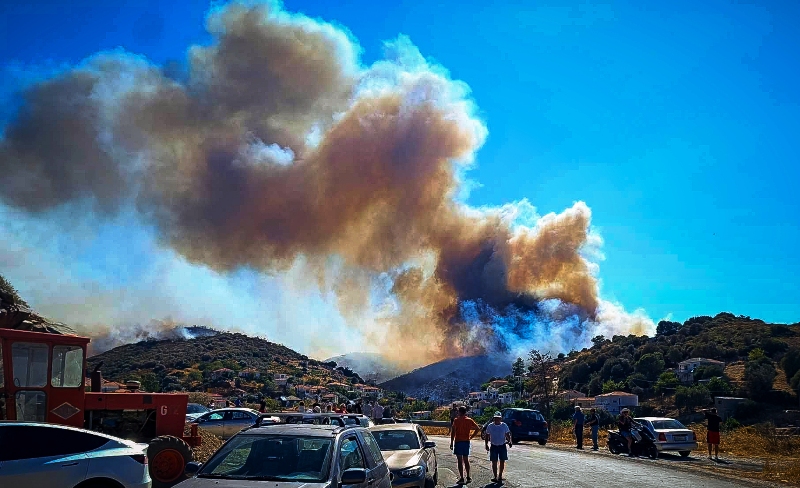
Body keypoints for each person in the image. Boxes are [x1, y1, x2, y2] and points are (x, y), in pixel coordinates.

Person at [450, 406, 481, 484]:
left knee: (460, 461)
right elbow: (477, 428)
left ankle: (461, 478)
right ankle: (468, 476)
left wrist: (451, 442)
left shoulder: (456, 420)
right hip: (466, 441)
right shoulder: (469, 420)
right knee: (466, 460)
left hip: (458, 441)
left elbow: (453, 432)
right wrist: (471, 437)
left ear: (459, 412)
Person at [484, 412, 512, 483]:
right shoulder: (490, 426)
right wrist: (486, 444)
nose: (496, 419)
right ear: (493, 418)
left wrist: (510, 441)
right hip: (494, 446)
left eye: (498, 418)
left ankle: (500, 475)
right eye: (495, 418)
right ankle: (495, 476)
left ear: (500, 419)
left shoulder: (504, 425)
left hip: (502, 445)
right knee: (494, 462)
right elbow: (487, 436)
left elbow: (507, 434)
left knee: (502, 461)